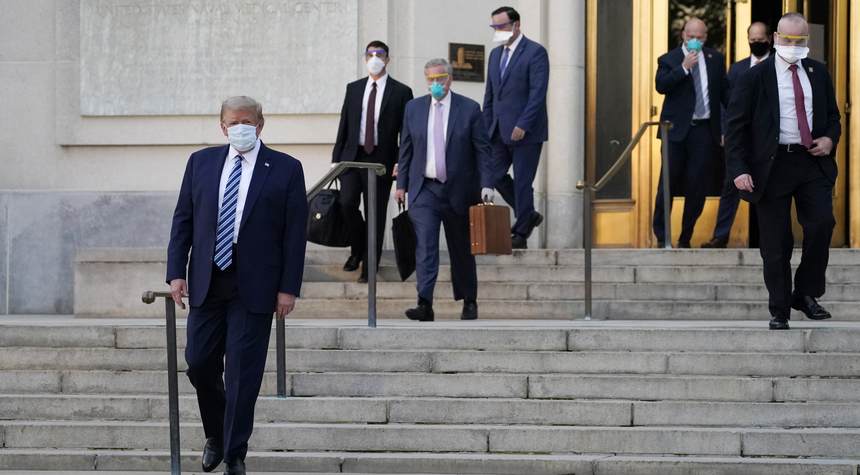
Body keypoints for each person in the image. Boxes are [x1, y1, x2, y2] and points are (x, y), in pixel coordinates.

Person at [166, 96, 308, 474]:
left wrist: (288, 288)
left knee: (243, 373)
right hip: (208, 281)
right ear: (222, 126)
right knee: (199, 363)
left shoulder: (286, 168)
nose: (240, 128)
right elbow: (183, 220)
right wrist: (176, 271)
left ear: (260, 124)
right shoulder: (200, 163)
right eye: (233, 122)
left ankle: (233, 454)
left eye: (247, 121)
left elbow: (295, 234)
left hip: (256, 286)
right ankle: (216, 434)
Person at [726, 13, 840, 330]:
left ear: (806, 40)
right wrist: (739, 169)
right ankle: (779, 309)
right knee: (776, 243)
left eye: (799, 40)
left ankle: (804, 293)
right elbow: (734, 127)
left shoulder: (818, 72)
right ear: (776, 38)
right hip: (771, 166)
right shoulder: (754, 77)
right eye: (787, 39)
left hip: (811, 162)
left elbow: (833, 117)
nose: (793, 45)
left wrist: (829, 139)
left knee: (822, 224)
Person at [394, 58, 499, 321]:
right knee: (425, 245)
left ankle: (469, 300)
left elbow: (483, 151)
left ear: (449, 79)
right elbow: (405, 149)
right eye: (431, 79)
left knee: (461, 248)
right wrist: (401, 184)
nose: (436, 83)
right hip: (424, 189)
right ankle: (424, 303)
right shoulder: (413, 109)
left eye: (440, 78)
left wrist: (487, 184)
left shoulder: (469, 109)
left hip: (459, 190)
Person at [332, 41, 413, 282]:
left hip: (382, 160)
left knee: (375, 214)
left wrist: (401, 163)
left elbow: (406, 132)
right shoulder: (354, 88)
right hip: (352, 157)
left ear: (388, 59)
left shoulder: (401, 91)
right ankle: (358, 248)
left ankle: (369, 268)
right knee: (346, 203)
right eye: (370, 54)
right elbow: (344, 124)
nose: (375, 58)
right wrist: (336, 159)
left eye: (380, 54)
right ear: (365, 58)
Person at [653, 18, 727, 248]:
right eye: (690, 36)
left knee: (698, 186)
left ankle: (685, 237)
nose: (694, 40)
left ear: (705, 37)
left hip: (704, 131)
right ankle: (662, 237)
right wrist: (684, 67)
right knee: (668, 183)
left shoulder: (716, 59)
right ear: (683, 35)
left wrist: (727, 127)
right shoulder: (669, 59)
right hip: (674, 132)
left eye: (699, 37)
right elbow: (661, 85)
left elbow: (724, 94)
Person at [483, 6, 549, 249]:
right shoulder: (494, 55)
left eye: (502, 26)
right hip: (498, 130)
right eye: (495, 27)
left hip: (526, 132)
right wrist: (485, 127)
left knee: (522, 181)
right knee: (493, 175)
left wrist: (523, 123)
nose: (498, 30)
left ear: (516, 25)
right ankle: (528, 214)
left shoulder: (535, 52)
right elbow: (490, 95)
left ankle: (521, 233)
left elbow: (537, 93)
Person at [703, 22, 772, 248]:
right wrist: (726, 131)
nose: (756, 43)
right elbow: (728, 105)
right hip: (742, 140)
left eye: (760, 39)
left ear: (770, 39)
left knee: (770, 189)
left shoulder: (777, 66)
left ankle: (767, 239)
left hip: (769, 141)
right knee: (730, 186)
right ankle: (720, 236)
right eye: (752, 40)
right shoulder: (737, 69)